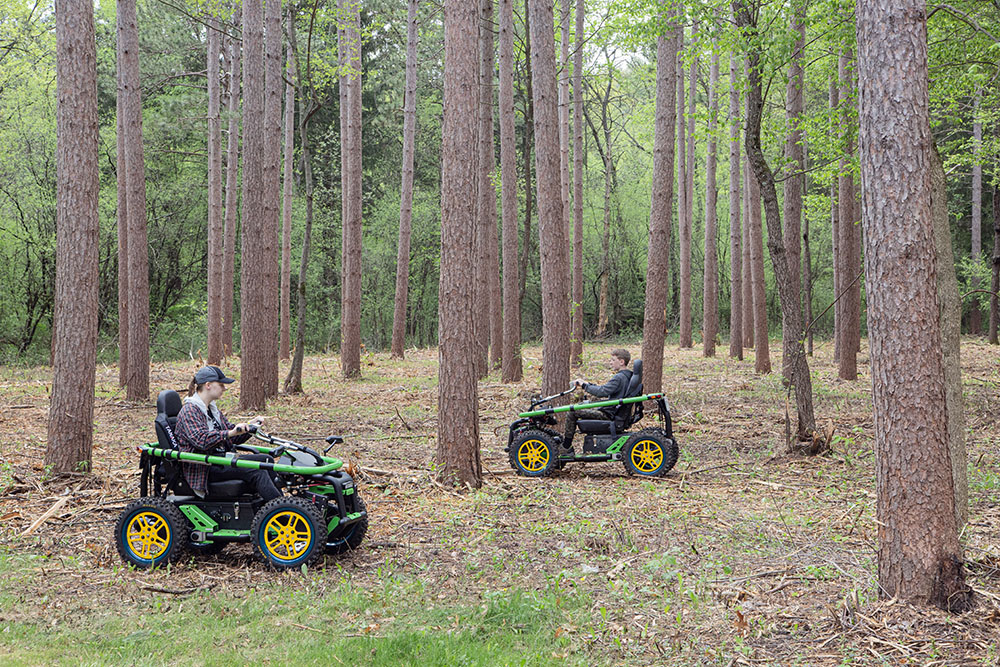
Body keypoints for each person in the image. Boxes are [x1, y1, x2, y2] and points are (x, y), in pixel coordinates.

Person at [174, 365, 281, 501]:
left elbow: (232, 435)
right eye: (221, 385)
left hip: (219, 460)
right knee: (257, 470)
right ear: (208, 385)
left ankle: (275, 506)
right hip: (204, 468)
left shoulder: (211, 410)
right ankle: (283, 512)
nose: (224, 388)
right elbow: (202, 441)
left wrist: (250, 426)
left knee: (267, 461)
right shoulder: (190, 411)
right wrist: (231, 433)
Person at [561, 348, 633, 453]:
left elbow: (602, 391)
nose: (610, 362)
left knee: (572, 411)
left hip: (610, 414)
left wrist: (584, 385)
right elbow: (604, 389)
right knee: (583, 405)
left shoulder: (619, 378)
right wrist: (588, 384)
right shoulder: (628, 376)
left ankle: (566, 446)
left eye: (613, 360)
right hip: (615, 412)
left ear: (622, 362)